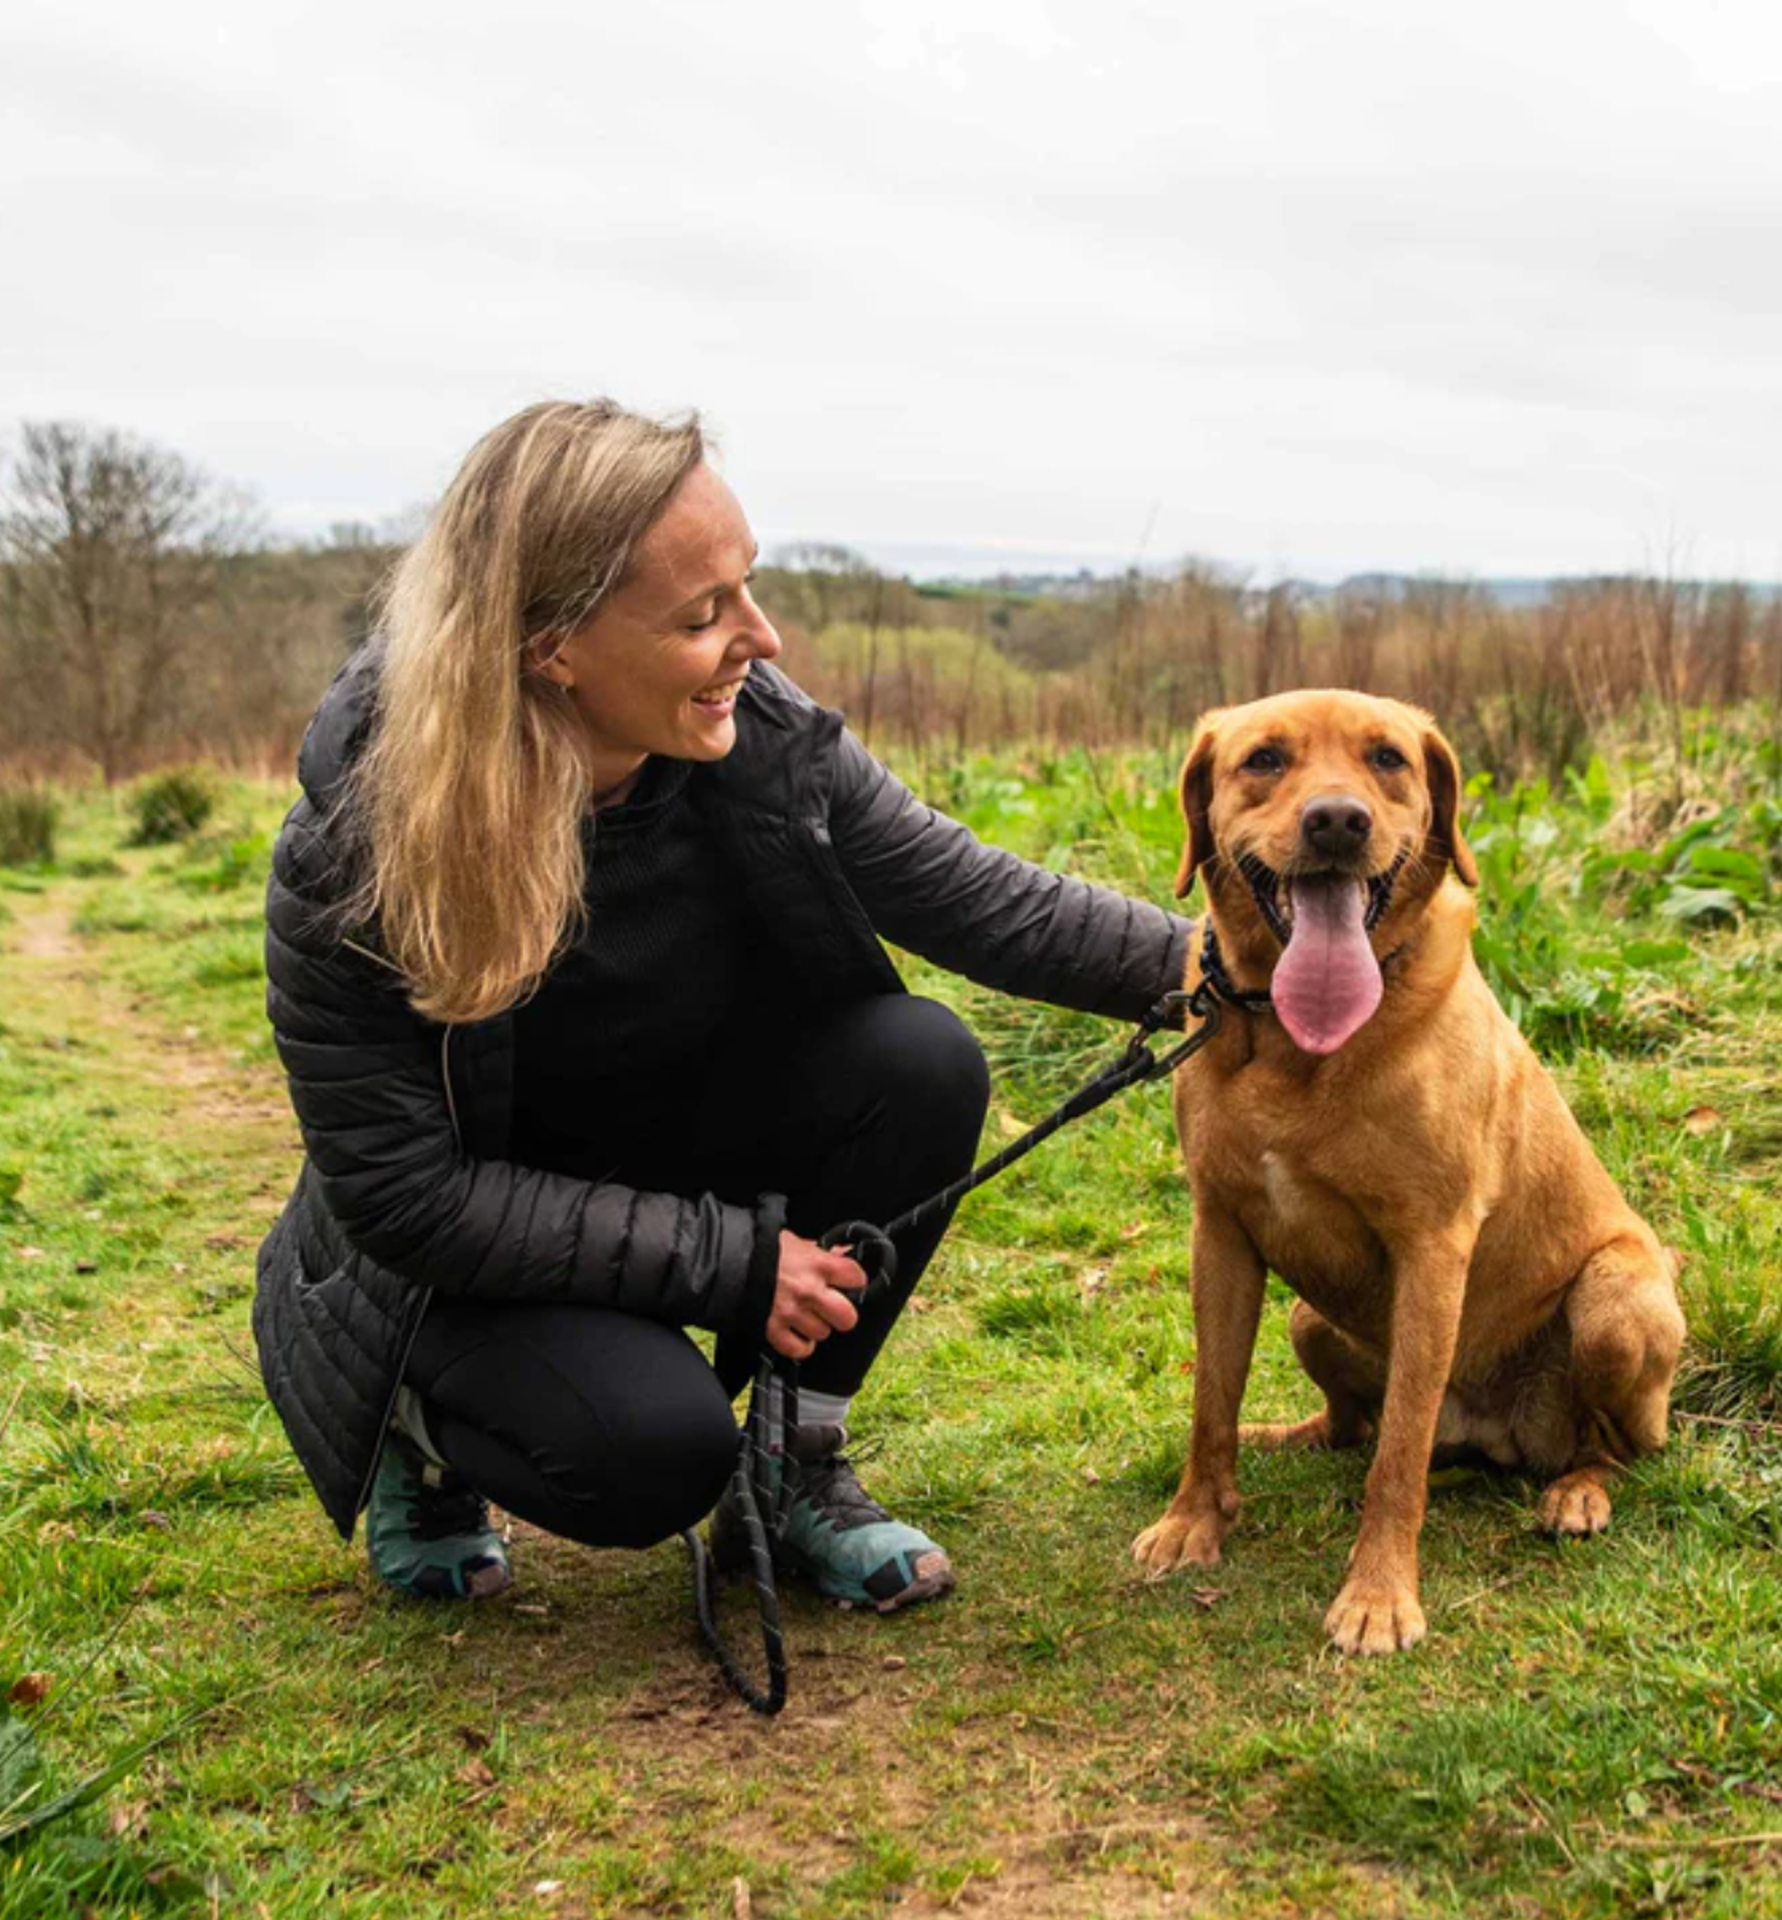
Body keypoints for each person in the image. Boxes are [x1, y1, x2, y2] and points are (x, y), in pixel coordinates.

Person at [253, 398, 1188, 1617]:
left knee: (919, 1061)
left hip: (667, 1148)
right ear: (553, 648)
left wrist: (1232, 969)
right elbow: (403, 1197)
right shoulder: (360, 844)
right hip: (469, 1247)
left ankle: (795, 1468)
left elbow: (980, 900)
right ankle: (417, 1425)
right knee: (648, 1454)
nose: (763, 636)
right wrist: (736, 1267)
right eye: (703, 615)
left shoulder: (761, 740)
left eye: (748, 584)